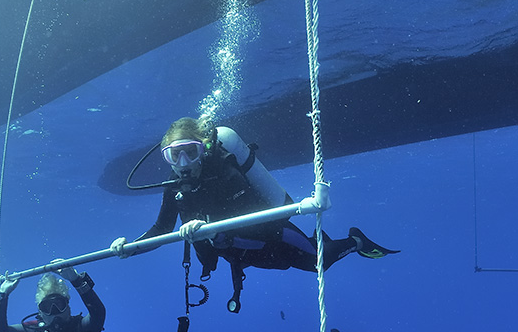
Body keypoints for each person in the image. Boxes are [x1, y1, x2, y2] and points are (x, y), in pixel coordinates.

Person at [110, 117, 397, 296]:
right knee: (293, 264)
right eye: (175, 156)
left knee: (318, 264)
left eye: (190, 153)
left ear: (204, 150)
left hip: (272, 235)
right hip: (240, 252)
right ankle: (321, 241)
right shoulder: (174, 187)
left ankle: (356, 241)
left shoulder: (225, 172)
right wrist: (132, 247)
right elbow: (161, 228)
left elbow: (254, 218)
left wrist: (207, 226)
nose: (183, 164)